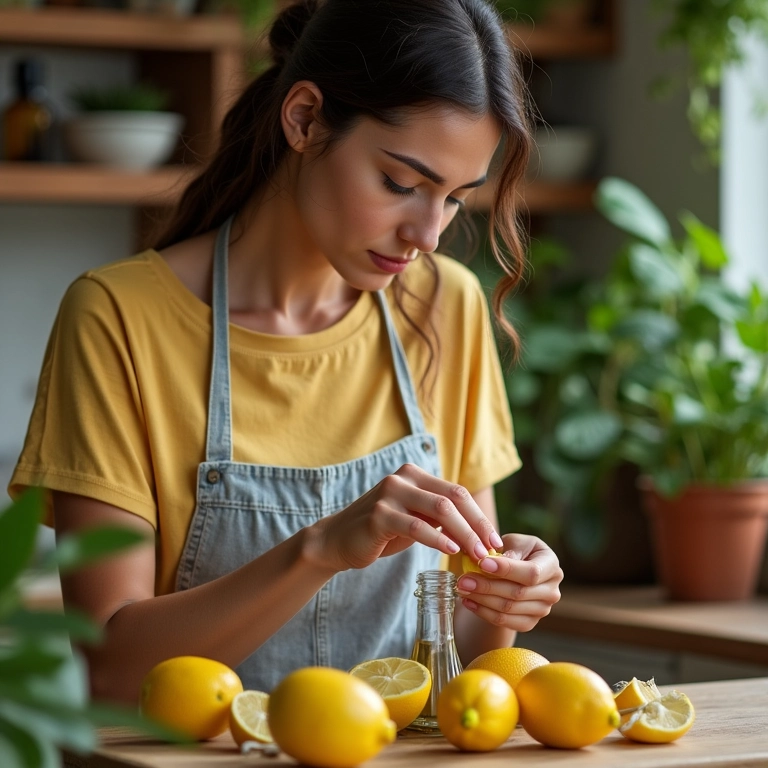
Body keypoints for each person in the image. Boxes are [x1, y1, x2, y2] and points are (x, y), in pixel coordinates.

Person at [9, 0, 563, 703]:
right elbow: (114, 672)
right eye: (401, 183)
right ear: (304, 119)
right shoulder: (119, 318)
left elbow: (470, 656)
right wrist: (319, 551)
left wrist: (508, 593)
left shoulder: (444, 306)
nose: (427, 231)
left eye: (455, 197)